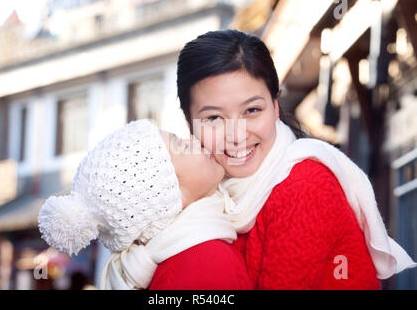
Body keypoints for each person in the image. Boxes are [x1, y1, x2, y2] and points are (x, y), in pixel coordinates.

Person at [150, 29, 416, 289]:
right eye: (213, 118)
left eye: (252, 110)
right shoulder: (206, 198)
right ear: (190, 123)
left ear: (275, 107)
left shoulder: (305, 184)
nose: (236, 135)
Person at [38, 119, 253, 290]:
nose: (197, 141)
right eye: (183, 145)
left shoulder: (188, 255)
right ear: (172, 195)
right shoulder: (206, 263)